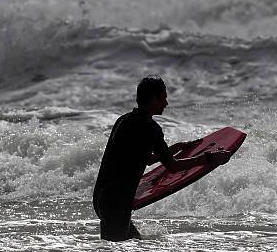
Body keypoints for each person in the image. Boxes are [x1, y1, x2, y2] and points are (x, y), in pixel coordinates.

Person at [93, 76, 231, 241]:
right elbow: (172, 166)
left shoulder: (124, 120)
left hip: (102, 197)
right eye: (164, 97)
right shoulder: (150, 127)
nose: (166, 103)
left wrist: (177, 147)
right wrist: (209, 158)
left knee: (135, 243)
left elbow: (146, 159)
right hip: (117, 202)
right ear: (153, 98)